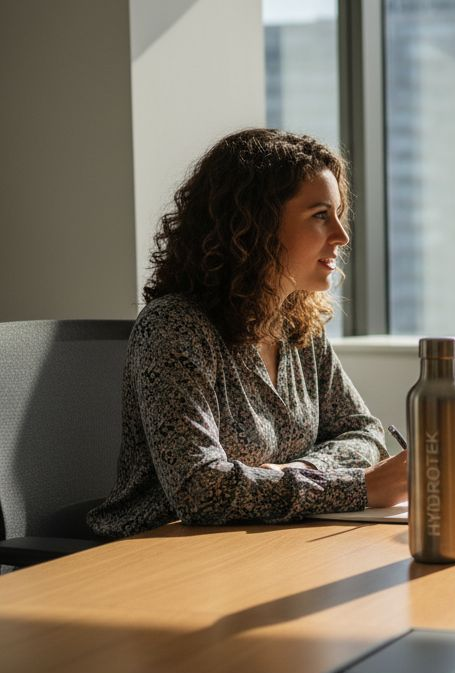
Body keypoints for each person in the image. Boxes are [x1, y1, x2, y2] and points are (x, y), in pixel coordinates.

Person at [88, 128, 407, 538]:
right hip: (156, 552)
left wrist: (303, 471)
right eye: (320, 215)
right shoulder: (174, 329)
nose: (341, 236)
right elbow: (200, 490)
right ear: (254, 225)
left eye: (338, 214)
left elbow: (362, 432)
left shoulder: (297, 323)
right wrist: (359, 487)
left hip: (256, 546)